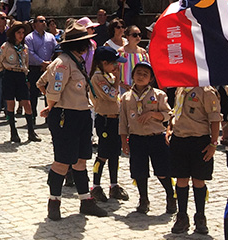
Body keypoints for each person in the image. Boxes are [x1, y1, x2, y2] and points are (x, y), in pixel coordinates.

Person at [38, 20, 107, 220]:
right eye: (86, 43)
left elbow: (42, 81)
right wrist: (51, 106)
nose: (88, 46)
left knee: (81, 159)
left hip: (82, 113)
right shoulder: (63, 63)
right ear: (79, 45)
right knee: (62, 161)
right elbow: (50, 87)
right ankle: (54, 202)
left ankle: (85, 201)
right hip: (66, 115)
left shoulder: (77, 60)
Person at [119, 62, 175, 215]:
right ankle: (143, 199)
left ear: (151, 79)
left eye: (145, 74)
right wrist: (124, 141)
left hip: (157, 138)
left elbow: (168, 115)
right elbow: (123, 122)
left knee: (162, 171)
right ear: (132, 76)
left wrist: (151, 114)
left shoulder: (159, 95)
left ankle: (171, 196)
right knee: (139, 172)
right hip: (137, 139)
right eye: (138, 73)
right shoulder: (126, 97)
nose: (141, 76)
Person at [168, 86, 221, 234]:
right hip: (179, 140)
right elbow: (175, 112)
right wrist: (169, 129)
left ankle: (200, 217)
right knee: (181, 179)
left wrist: (213, 143)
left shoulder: (206, 91)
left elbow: (215, 118)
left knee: (199, 180)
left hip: (200, 142)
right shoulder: (180, 89)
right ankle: (182, 217)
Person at [88, 45, 129, 204]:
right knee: (103, 154)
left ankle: (114, 184)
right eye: (113, 63)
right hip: (105, 120)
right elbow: (112, 95)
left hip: (114, 119)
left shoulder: (107, 75)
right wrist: (118, 80)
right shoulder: (98, 78)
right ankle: (96, 186)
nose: (116, 66)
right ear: (104, 62)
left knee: (114, 154)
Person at [0, 21, 38, 143]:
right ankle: (13, 132)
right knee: (10, 103)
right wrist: (5, 70)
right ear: (13, 34)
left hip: (20, 75)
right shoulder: (6, 46)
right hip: (9, 74)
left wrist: (25, 74)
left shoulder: (24, 48)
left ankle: (31, 132)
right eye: (18, 32)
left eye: (23, 33)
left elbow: (26, 63)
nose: (21, 35)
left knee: (27, 103)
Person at [25, 15, 57, 118]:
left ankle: (50, 116)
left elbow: (56, 51)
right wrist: (42, 62)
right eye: (40, 21)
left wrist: (50, 63)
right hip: (35, 68)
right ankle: (32, 116)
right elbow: (30, 53)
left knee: (50, 92)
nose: (44, 22)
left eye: (44, 21)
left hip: (49, 68)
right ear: (35, 24)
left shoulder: (51, 37)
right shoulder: (29, 38)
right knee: (33, 93)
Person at [118, 25, 148, 92]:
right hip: (124, 88)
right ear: (127, 37)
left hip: (140, 88)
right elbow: (115, 70)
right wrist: (120, 84)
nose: (138, 37)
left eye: (139, 35)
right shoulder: (121, 52)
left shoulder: (143, 53)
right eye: (135, 35)